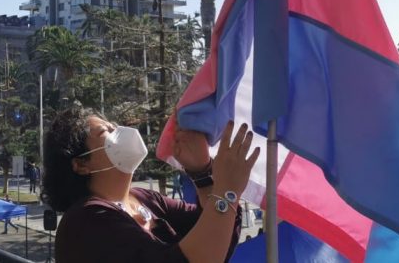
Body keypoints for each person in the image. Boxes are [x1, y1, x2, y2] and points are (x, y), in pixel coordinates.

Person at [41, 107, 259, 263]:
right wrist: (227, 190)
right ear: (80, 164)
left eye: (115, 126)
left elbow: (216, 238)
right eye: (106, 132)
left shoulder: (144, 198)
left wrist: (202, 173)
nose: (120, 131)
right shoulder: (86, 220)